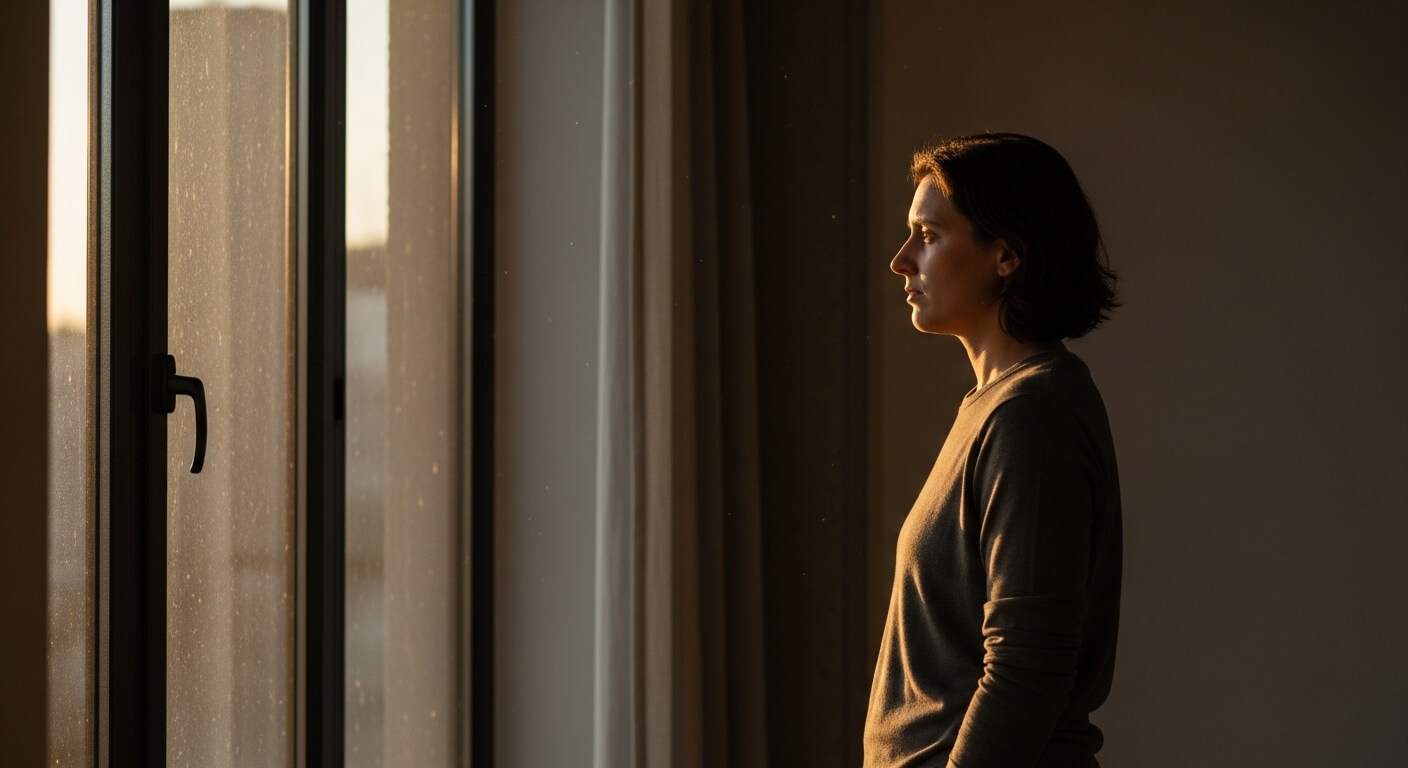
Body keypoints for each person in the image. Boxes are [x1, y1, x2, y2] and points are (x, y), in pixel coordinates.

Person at [863, 133, 1122, 768]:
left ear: (1006, 256)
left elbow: (1026, 666)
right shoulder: (997, 405)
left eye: (928, 235)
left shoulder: (1034, 414)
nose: (900, 260)